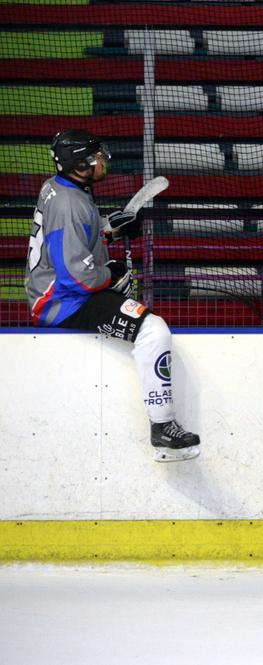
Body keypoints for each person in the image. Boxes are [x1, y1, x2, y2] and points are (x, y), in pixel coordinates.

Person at [25, 130, 200, 462]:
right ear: (81, 163)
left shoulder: (60, 187)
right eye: (97, 156)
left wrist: (109, 228)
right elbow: (77, 275)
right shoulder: (70, 204)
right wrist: (113, 274)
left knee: (148, 324)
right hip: (62, 302)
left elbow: (75, 238)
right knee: (154, 330)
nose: (103, 159)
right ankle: (162, 426)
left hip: (57, 292)